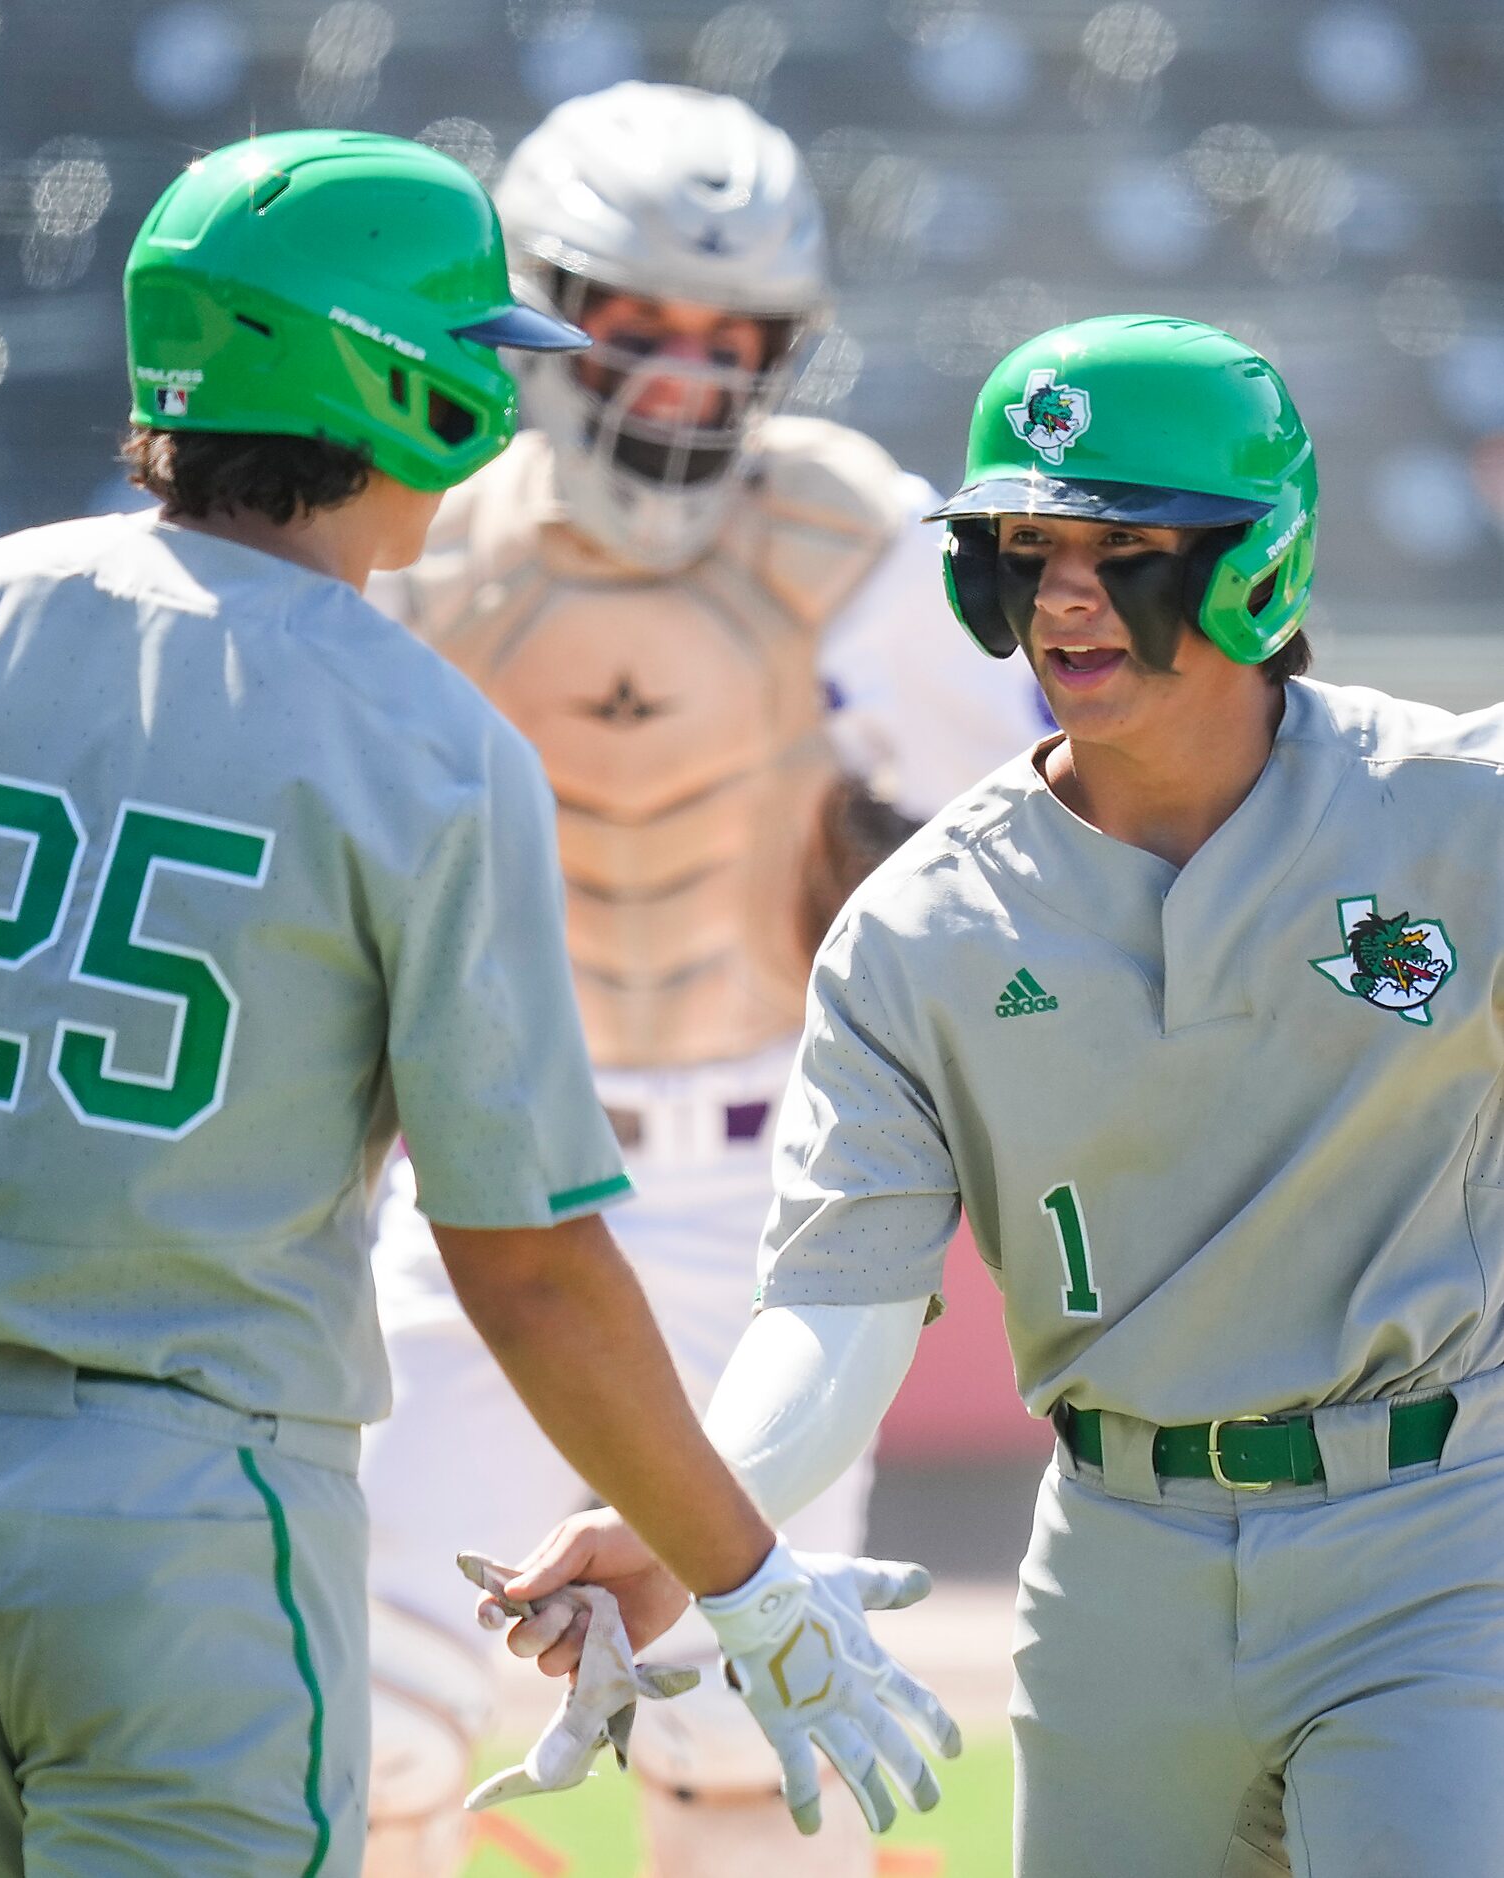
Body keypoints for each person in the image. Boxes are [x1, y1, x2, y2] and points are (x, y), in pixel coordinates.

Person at [0, 129, 956, 1878]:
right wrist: (746, 1576)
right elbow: (525, 1259)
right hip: (185, 1491)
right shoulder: (425, 729)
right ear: (405, 387)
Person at [483, 313, 1504, 1878]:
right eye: (1025, 547)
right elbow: (836, 1315)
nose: (1063, 595)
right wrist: (680, 1519)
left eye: (1119, 545)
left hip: (1439, 1534)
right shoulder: (919, 927)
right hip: (1115, 1559)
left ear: (1259, 562)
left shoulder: (1459, 818)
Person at [359, 79, 1046, 1877]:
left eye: (726, 334)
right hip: (485, 1180)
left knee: (762, 1754)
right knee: (363, 1731)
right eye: (635, 322)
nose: (681, 371)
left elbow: (1033, 823)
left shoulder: (859, 532)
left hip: (767, 1187)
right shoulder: (426, 536)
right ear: (539, 306)